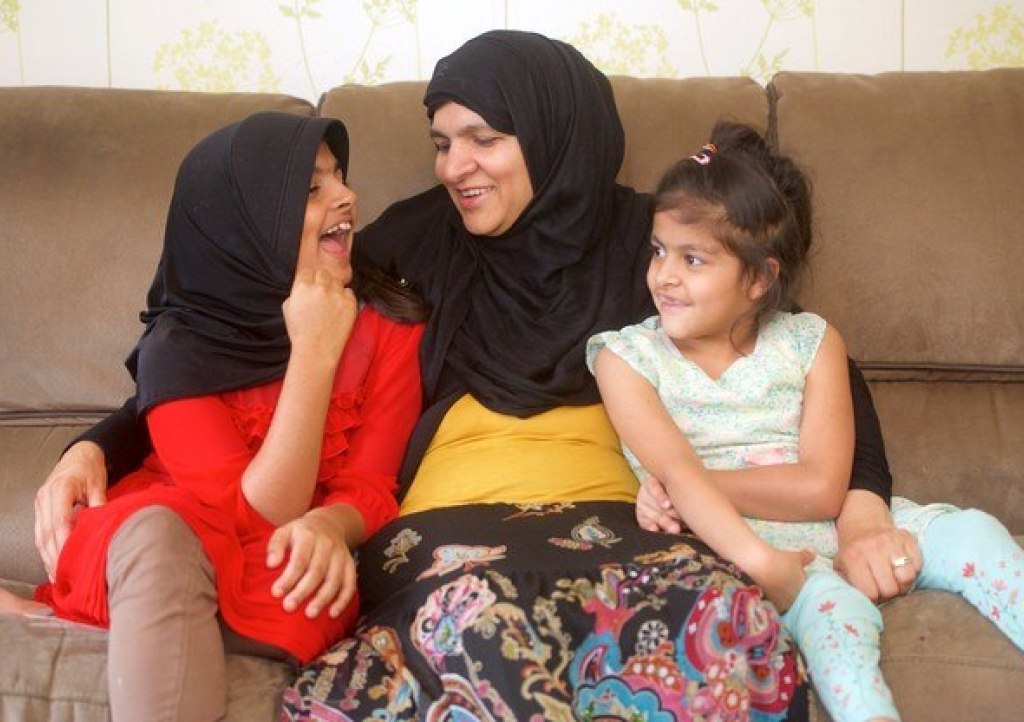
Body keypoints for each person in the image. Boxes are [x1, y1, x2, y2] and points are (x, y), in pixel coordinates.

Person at [39, 31, 894, 720]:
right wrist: (103, 440)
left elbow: (800, 352)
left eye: (486, 139)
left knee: (723, 625)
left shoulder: (654, 242)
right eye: (442, 143)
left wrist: (863, 511)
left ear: (555, 135)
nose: (454, 167)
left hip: (624, 520)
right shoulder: (414, 241)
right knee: (483, 621)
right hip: (448, 530)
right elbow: (244, 336)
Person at [587, 121, 1024, 722]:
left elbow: (822, 486)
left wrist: (682, 488)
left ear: (760, 278)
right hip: (756, 549)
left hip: (855, 522)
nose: (663, 275)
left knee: (974, 532)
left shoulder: (811, 342)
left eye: (693, 258)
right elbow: (678, 468)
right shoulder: (624, 359)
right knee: (836, 621)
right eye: (659, 250)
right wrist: (704, 504)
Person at [1, 111, 426, 721]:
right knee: (160, 536)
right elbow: (254, 513)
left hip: (285, 553)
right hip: (178, 533)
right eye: (313, 189)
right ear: (246, 226)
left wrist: (331, 525)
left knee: (301, 591)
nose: (347, 197)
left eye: (340, 176)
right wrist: (313, 354)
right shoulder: (177, 346)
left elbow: (370, 485)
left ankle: (53, 615)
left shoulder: (388, 326)